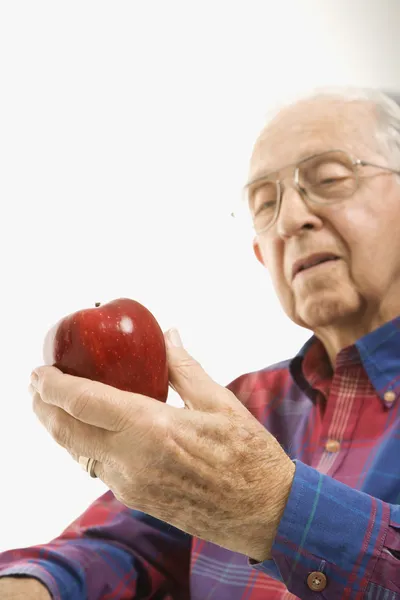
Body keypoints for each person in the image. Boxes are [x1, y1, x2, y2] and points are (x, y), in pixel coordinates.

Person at [1, 86, 400, 600]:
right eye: (264, 204)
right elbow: (120, 546)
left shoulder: (232, 438)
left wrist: (270, 505)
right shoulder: (246, 407)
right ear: (262, 256)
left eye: (328, 179)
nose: (290, 220)